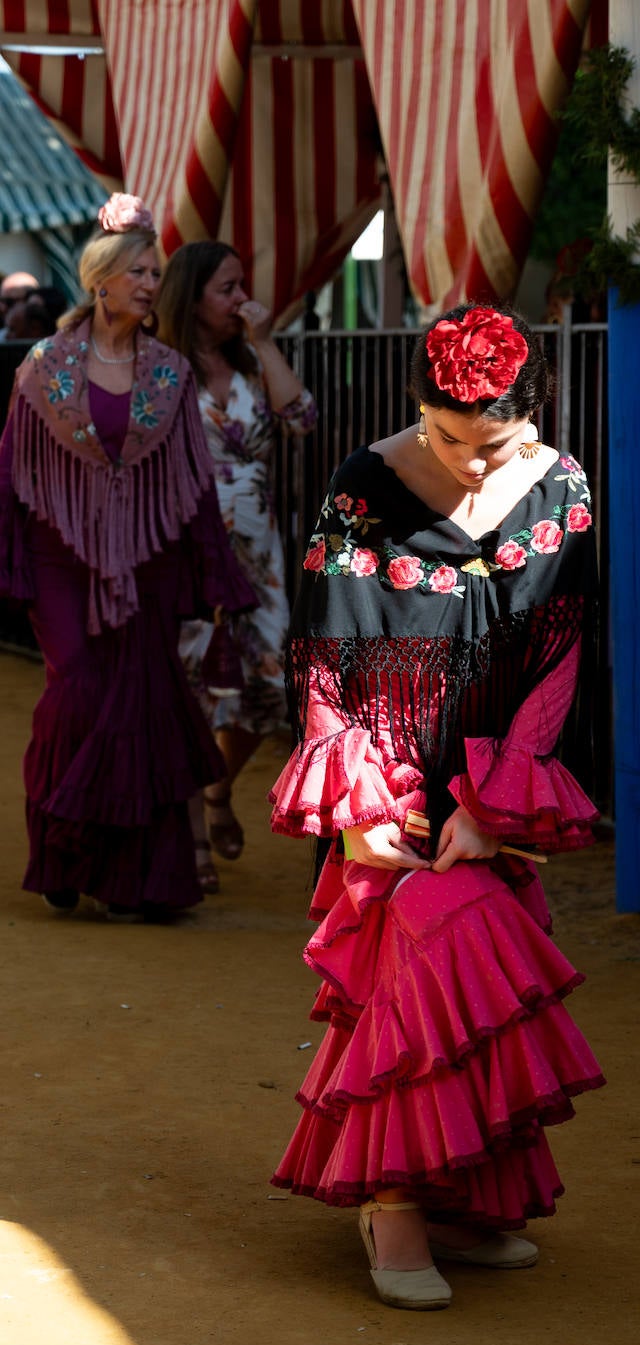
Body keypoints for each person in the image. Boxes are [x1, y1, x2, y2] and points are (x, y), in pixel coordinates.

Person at [267, 303, 606, 1310]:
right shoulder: (361, 485)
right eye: (445, 438)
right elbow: (326, 653)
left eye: (489, 444)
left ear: (532, 421)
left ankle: (455, 1196)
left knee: (476, 980)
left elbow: (560, 650)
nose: (466, 463)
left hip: (493, 768)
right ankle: (393, 1201)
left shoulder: (565, 490)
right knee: (413, 958)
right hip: (386, 764)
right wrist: (353, 808)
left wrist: (500, 805)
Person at [0, 194, 254, 917]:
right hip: (60, 551)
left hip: (147, 553)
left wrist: (210, 568)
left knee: (137, 698)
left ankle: (140, 879)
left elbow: (193, 479)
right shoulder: (44, 366)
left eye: (155, 273)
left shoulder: (169, 372)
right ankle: (61, 841)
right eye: (138, 272)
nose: (150, 285)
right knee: (76, 689)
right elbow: (11, 468)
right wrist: (8, 558)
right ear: (101, 279)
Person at [157, 242, 317, 894]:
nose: (240, 297)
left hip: (257, 554)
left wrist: (266, 339)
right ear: (191, 295)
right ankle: (191, 833)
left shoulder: (251, 364)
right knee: (187, 688)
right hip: (184, 550)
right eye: (227, 288)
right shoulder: (159, 366)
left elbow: (302, 419)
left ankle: (218, 789)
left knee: (269, 688)